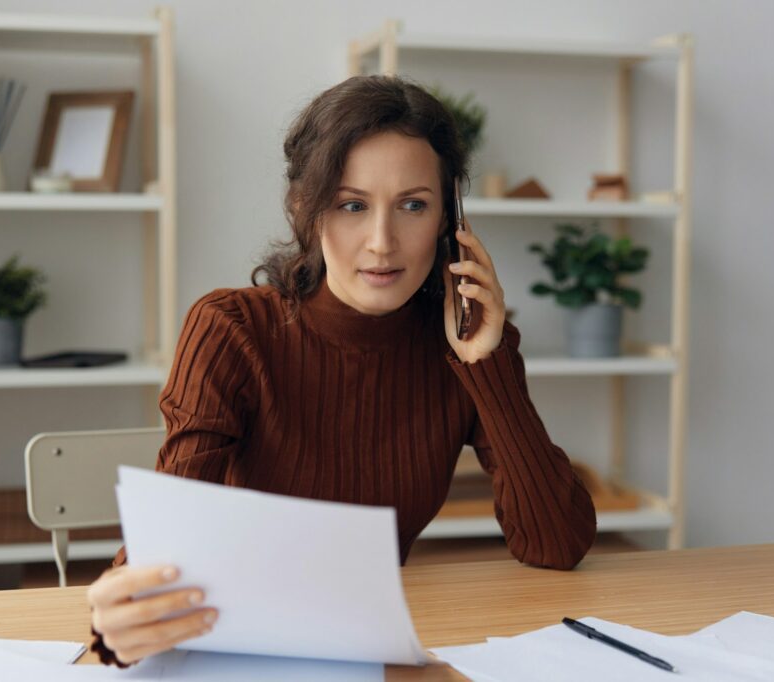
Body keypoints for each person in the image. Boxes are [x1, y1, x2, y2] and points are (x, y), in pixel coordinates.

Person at [87, 75, 597, 667]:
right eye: (352, 205)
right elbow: (169, 537)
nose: (382, 243)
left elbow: (556, 545)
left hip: (374, 653)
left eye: (413, 205)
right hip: (235, 648)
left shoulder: (463, 347)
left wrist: (487, 364)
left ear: (449, 220)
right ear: (309, 212)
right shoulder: (231, 329)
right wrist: (119, 614)